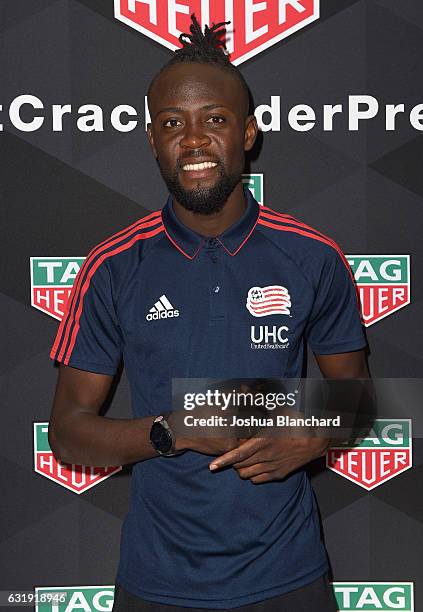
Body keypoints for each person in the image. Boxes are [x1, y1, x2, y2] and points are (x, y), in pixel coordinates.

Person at [48, 14, 369, 612]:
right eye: (172, 124)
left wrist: (314, 433)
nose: (193, 141)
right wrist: (175, 431)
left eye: (214, 121)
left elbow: (359, 395)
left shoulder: (312, 256)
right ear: (150, 139)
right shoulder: (114, 265)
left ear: (248, 132)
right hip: (157, 582)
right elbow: (67, 432)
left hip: (290, 576)